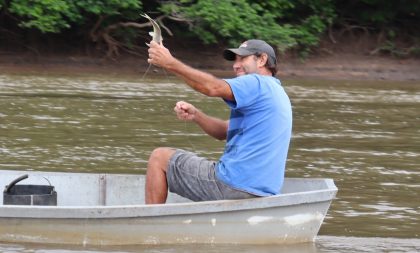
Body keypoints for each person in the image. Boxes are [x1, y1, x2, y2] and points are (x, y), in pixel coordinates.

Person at [146, 39, 292, 204]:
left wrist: (170, 63)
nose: (235, 65)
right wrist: (196, 115)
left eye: (242, 59)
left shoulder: (256, 83)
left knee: (159, 158)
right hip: (260, 191)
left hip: (233, 185)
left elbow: (212, 87)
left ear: (262, 60)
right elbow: (224, 131)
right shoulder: (276, 92)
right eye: (234, 60)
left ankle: (148, 227)